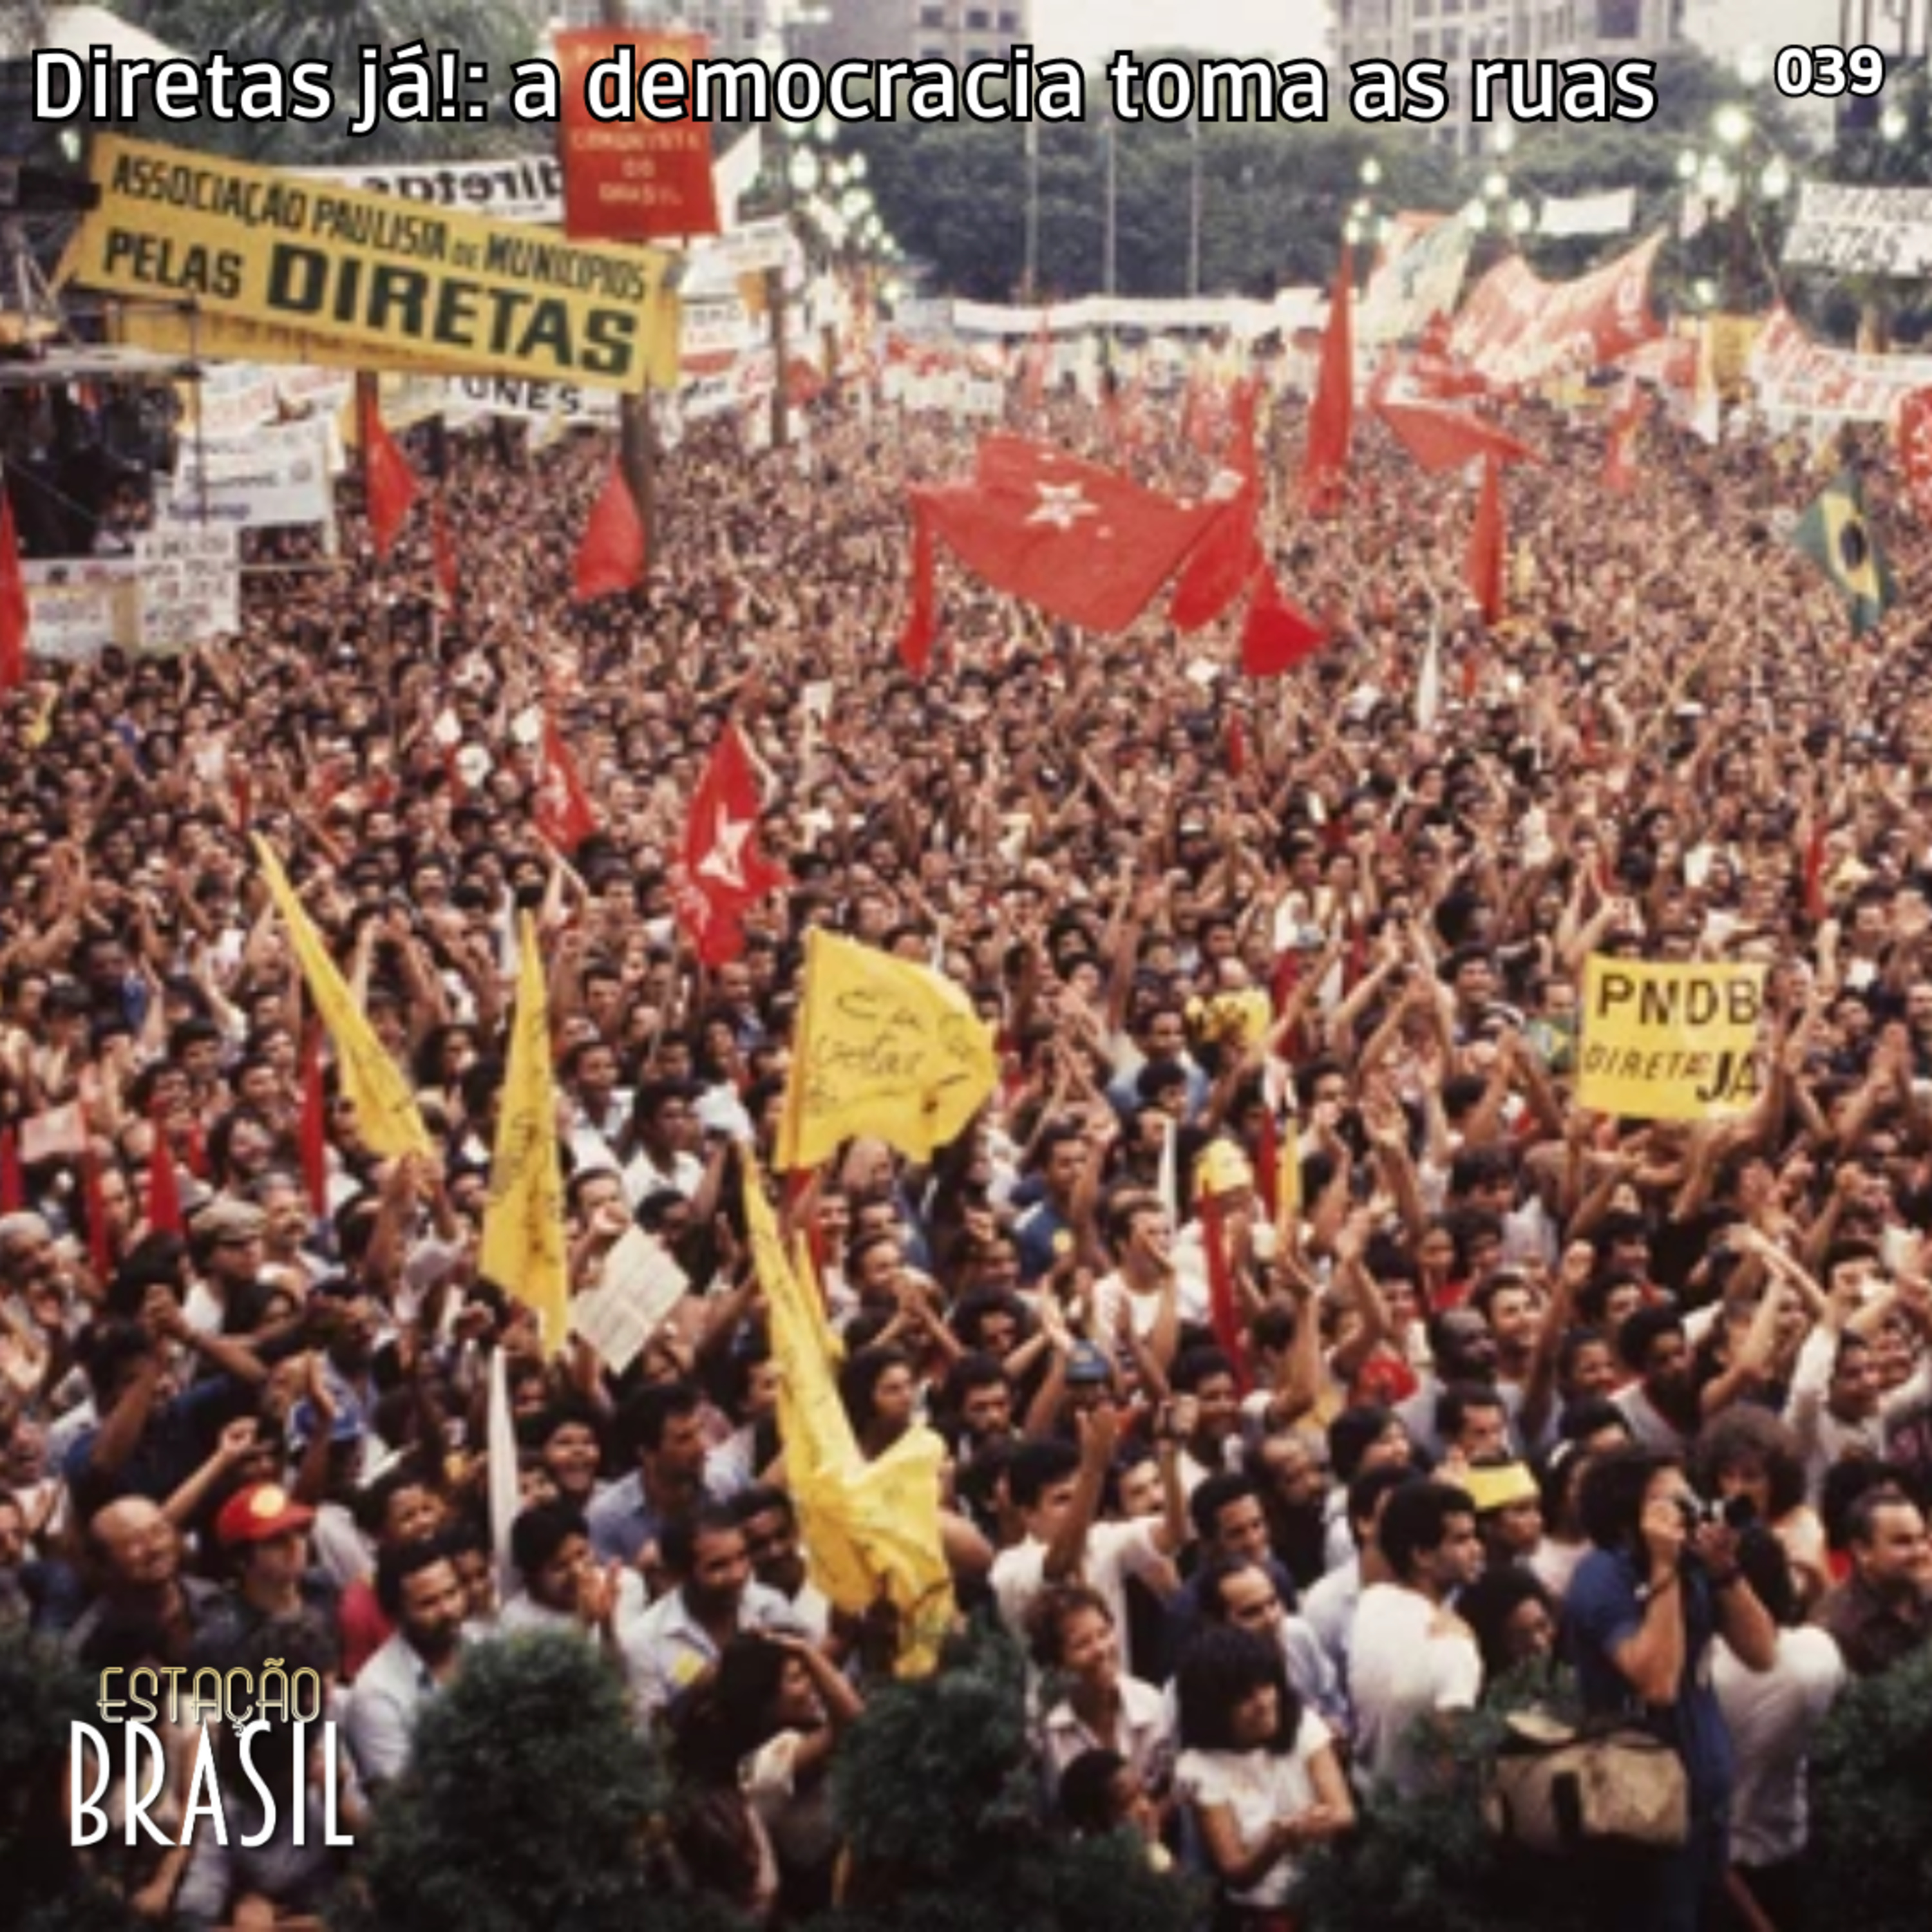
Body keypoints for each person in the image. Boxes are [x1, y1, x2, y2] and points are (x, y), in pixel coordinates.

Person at [1565, 1444, 1778, 1932]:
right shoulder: (1602, 1576)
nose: (1689, 1510)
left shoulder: (1693, 1565)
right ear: (1629, 1521)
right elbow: (1658, 1684)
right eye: (1671, 1503)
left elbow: (1762, 1653)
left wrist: (1725, 1570)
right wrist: (1663, 1571)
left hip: (1705, 1801)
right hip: (1643, 1810)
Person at [1173, 1624, 1354, 1932]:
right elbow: (1235, 1871)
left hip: (1323, 1895)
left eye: (1266, 1685)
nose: (1263, 1702)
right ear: (1214, 1709)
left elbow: (1345, 1813)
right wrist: (1276, 1843)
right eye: (1245, 1697)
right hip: (1257, 1913)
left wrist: (1312, 1825)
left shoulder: (1303, 1726)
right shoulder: (1198, 1766)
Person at [1712, 1525, 1846, 1932]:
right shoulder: (1816, 1656)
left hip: (1711, 1860)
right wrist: (1820, 1581)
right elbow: (1823, 1627)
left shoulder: (1699, 1671)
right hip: (1784, 1847)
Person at [1347, 1478, 1485, 1799]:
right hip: (1422, 1815)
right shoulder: (1455, 1647)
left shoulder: (1371, 1603)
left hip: (1369, 1795)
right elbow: (1452, 1761)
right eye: (1461, 1540)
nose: (1477, 1549)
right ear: (1422, 1555)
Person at [345, 1533, 473, 1791]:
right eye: (428, 1604)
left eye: (452, 1593)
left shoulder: (484, 1644)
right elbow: (402, 1798)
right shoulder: (376, 1694)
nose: (448, 1610)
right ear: (395, 1614)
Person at [1026, 1582, 1173, 1801]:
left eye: (1104, 1633)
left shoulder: (1150, 1704)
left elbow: (1172, 1790)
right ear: (1057, 1661)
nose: (1101, 1650)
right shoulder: (1050, 1731)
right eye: (1082, 1644)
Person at [1812, 1484, 1932, 1677]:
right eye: (1903, 1542)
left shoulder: (1925, 1595)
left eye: (1922, 1538)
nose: (1921, 1552)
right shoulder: (1837, 1628)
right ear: (1862, 1551)